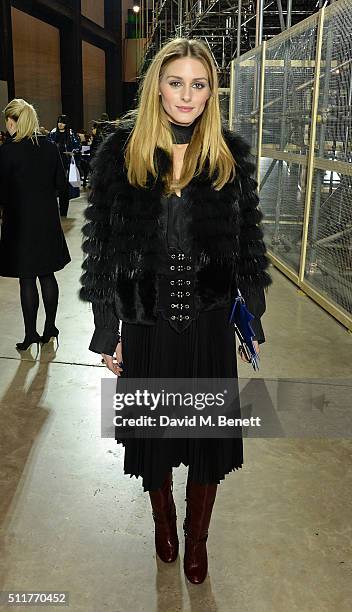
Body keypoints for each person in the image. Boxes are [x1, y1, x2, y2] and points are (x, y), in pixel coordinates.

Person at [79, 38, 272, 584]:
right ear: (156, 88)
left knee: (207, 440)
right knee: (154, 438)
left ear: (212, 92)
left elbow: (247, 246)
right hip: (147, 326)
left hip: (209, 323)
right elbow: (104, 252)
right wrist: (107, 331)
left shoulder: (227, 155)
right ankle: (163, 517)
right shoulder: (122, 154)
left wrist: (248, 316)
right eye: (176, 82)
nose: (187, 95)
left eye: (199, 84)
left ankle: (198, 536)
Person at [0, 98, 71, 350]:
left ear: (13, 121)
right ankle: (50, 327)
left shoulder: (7, 152)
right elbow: (62, 186)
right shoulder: (50, 148)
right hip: (47, 222)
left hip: (19, 224)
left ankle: (31, 334)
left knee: (27, 279)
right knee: (47, 274)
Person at [47, 114, 81, 216]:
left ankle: (63, 211)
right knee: (53, 187)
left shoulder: (70, 134)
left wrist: (73, 152)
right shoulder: (52, 133)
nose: (60, 124)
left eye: (62, 122)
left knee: (64, 189)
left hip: (66, 165)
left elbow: (78, 146)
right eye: (59, 122)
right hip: (54, 164)